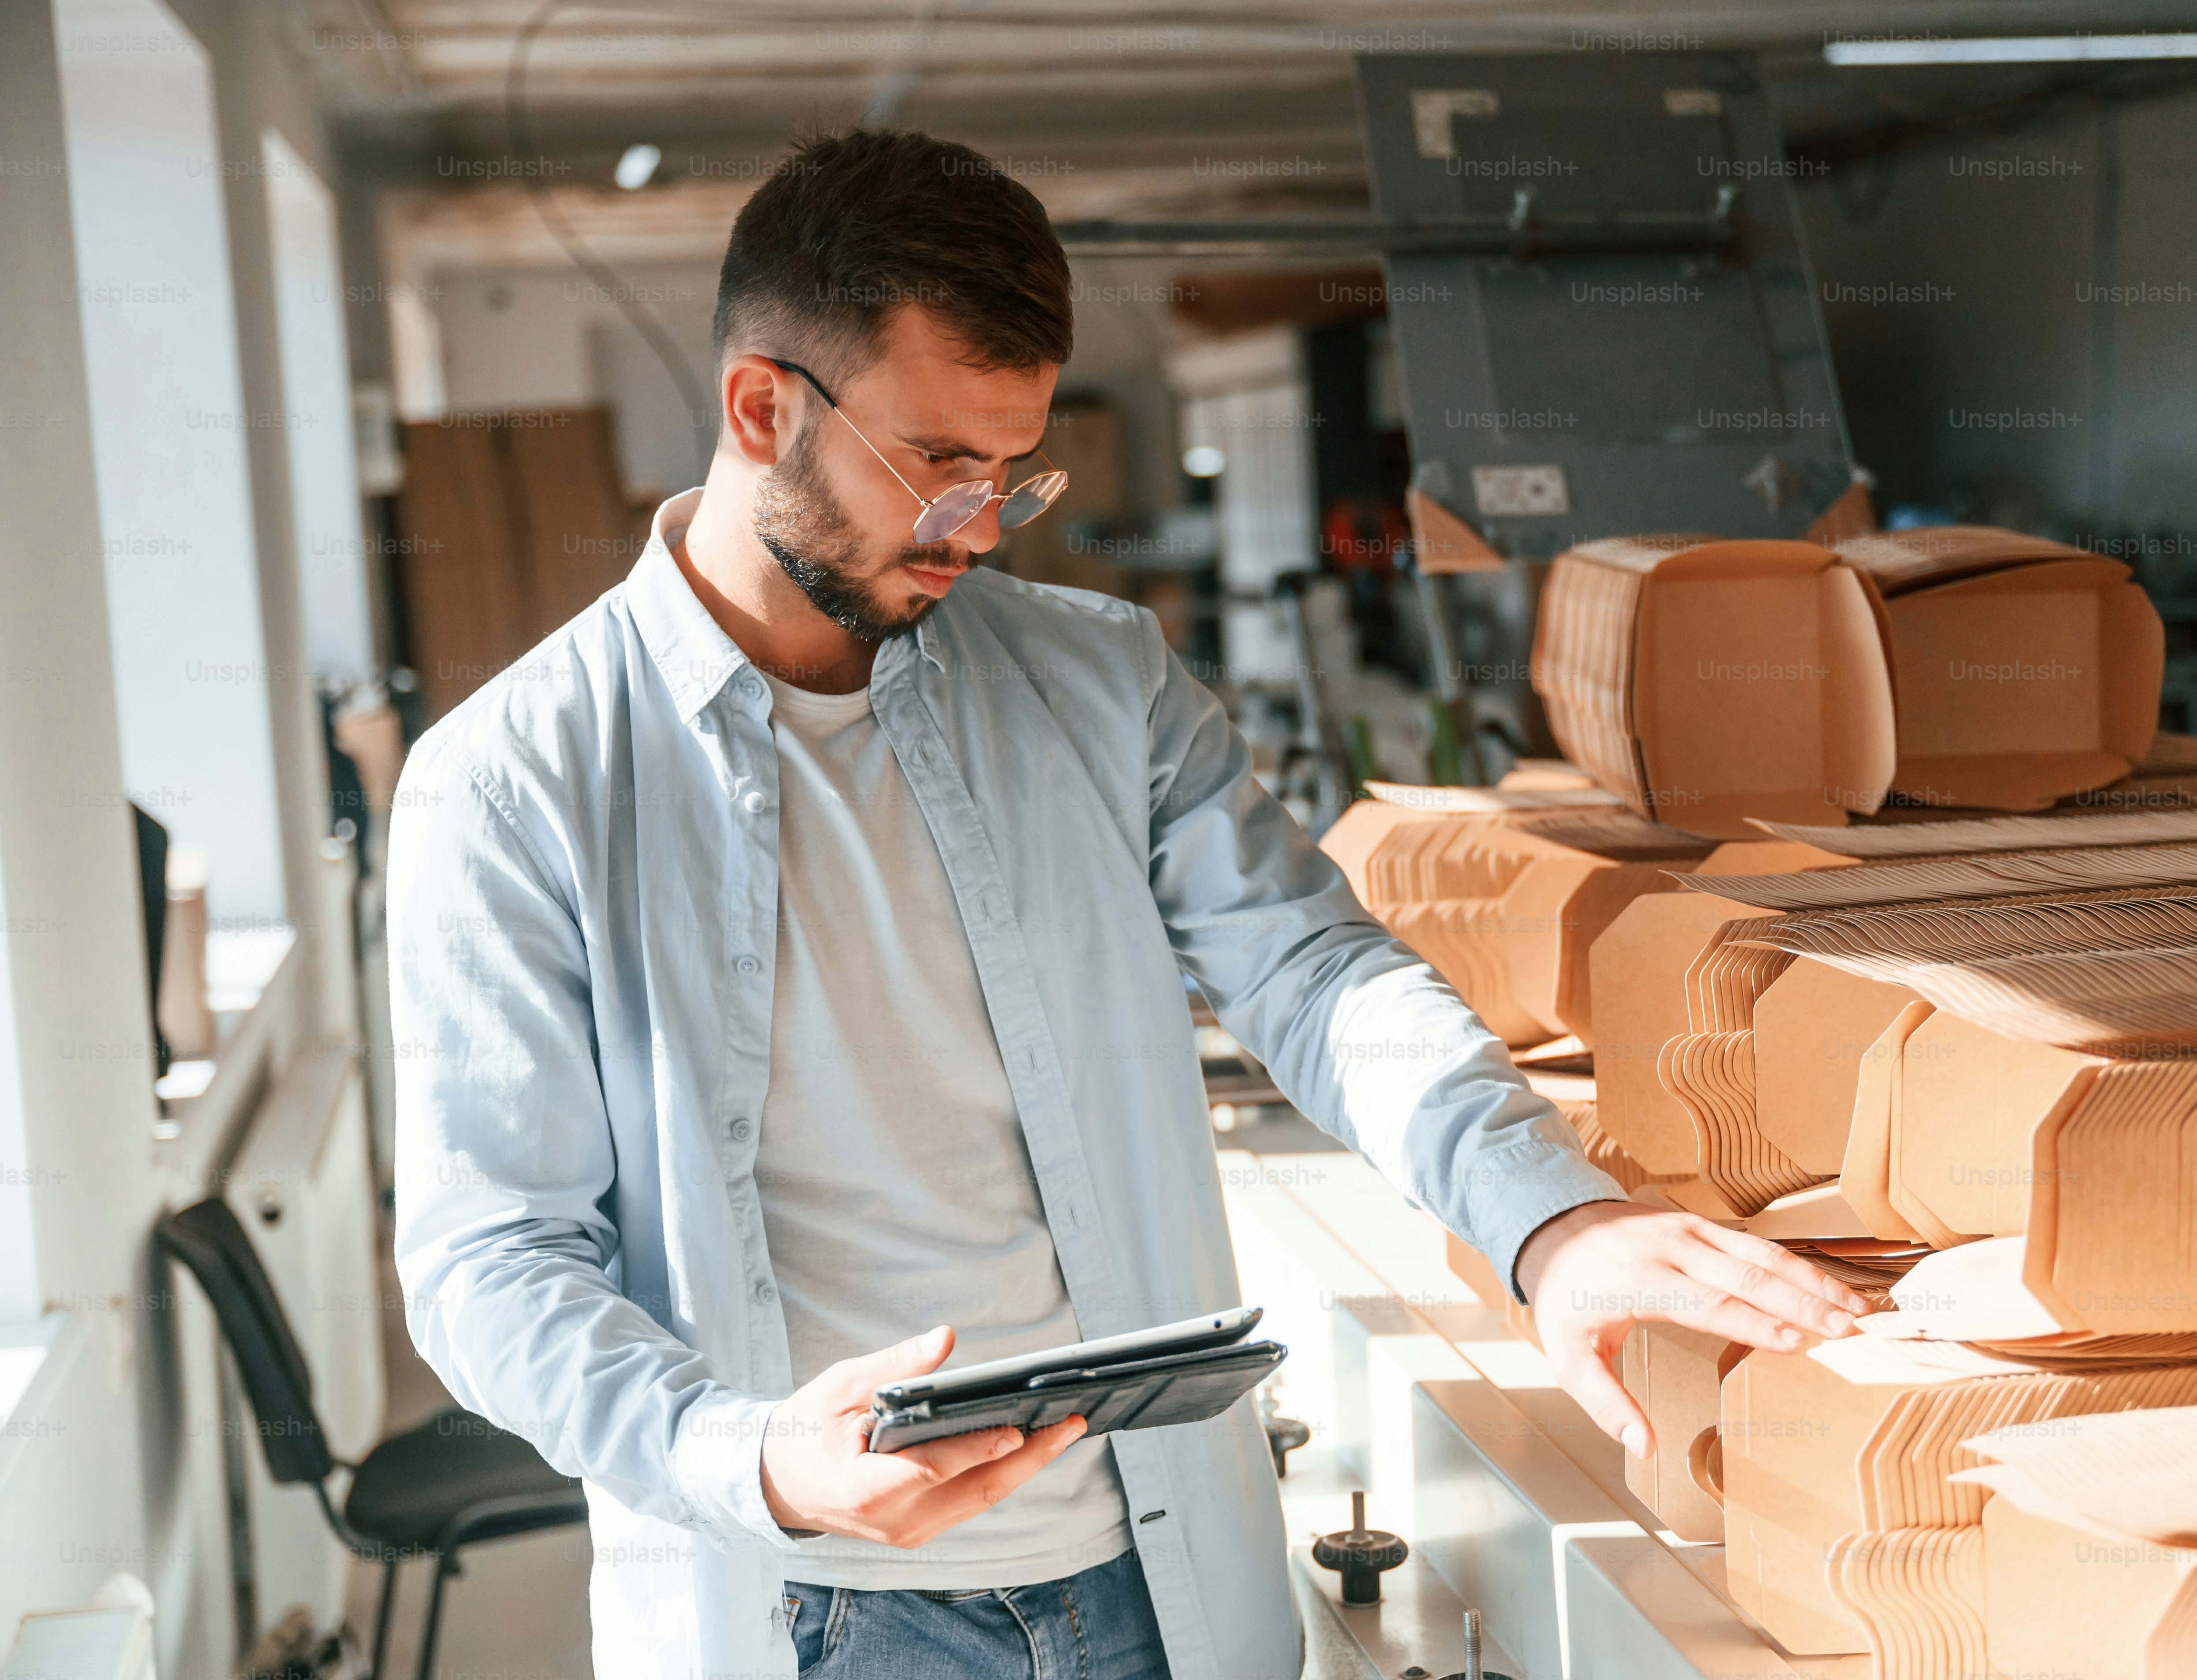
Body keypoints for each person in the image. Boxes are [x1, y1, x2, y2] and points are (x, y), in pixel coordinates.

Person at [387, 126, 1868, 1680]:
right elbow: (492, 1261)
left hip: (1155, 1585)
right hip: (810, 1608)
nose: (979, 526)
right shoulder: (511, 784)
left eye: (1011, 473)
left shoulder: (1096, 680)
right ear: (762, 407)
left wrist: (1546, 1222)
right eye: (937, 465)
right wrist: (750, 1458)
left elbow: (1310, 974)